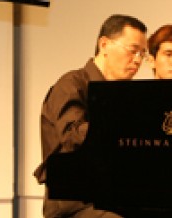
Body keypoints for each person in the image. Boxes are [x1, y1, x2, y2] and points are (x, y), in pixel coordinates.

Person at [34, 14, 148, 218]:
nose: (138, 60)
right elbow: (72, 137)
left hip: (114, 195)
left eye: (143, 54)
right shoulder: (71, 84)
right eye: (133, 51)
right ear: (104, 44)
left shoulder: (126, 94)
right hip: (74, 201)